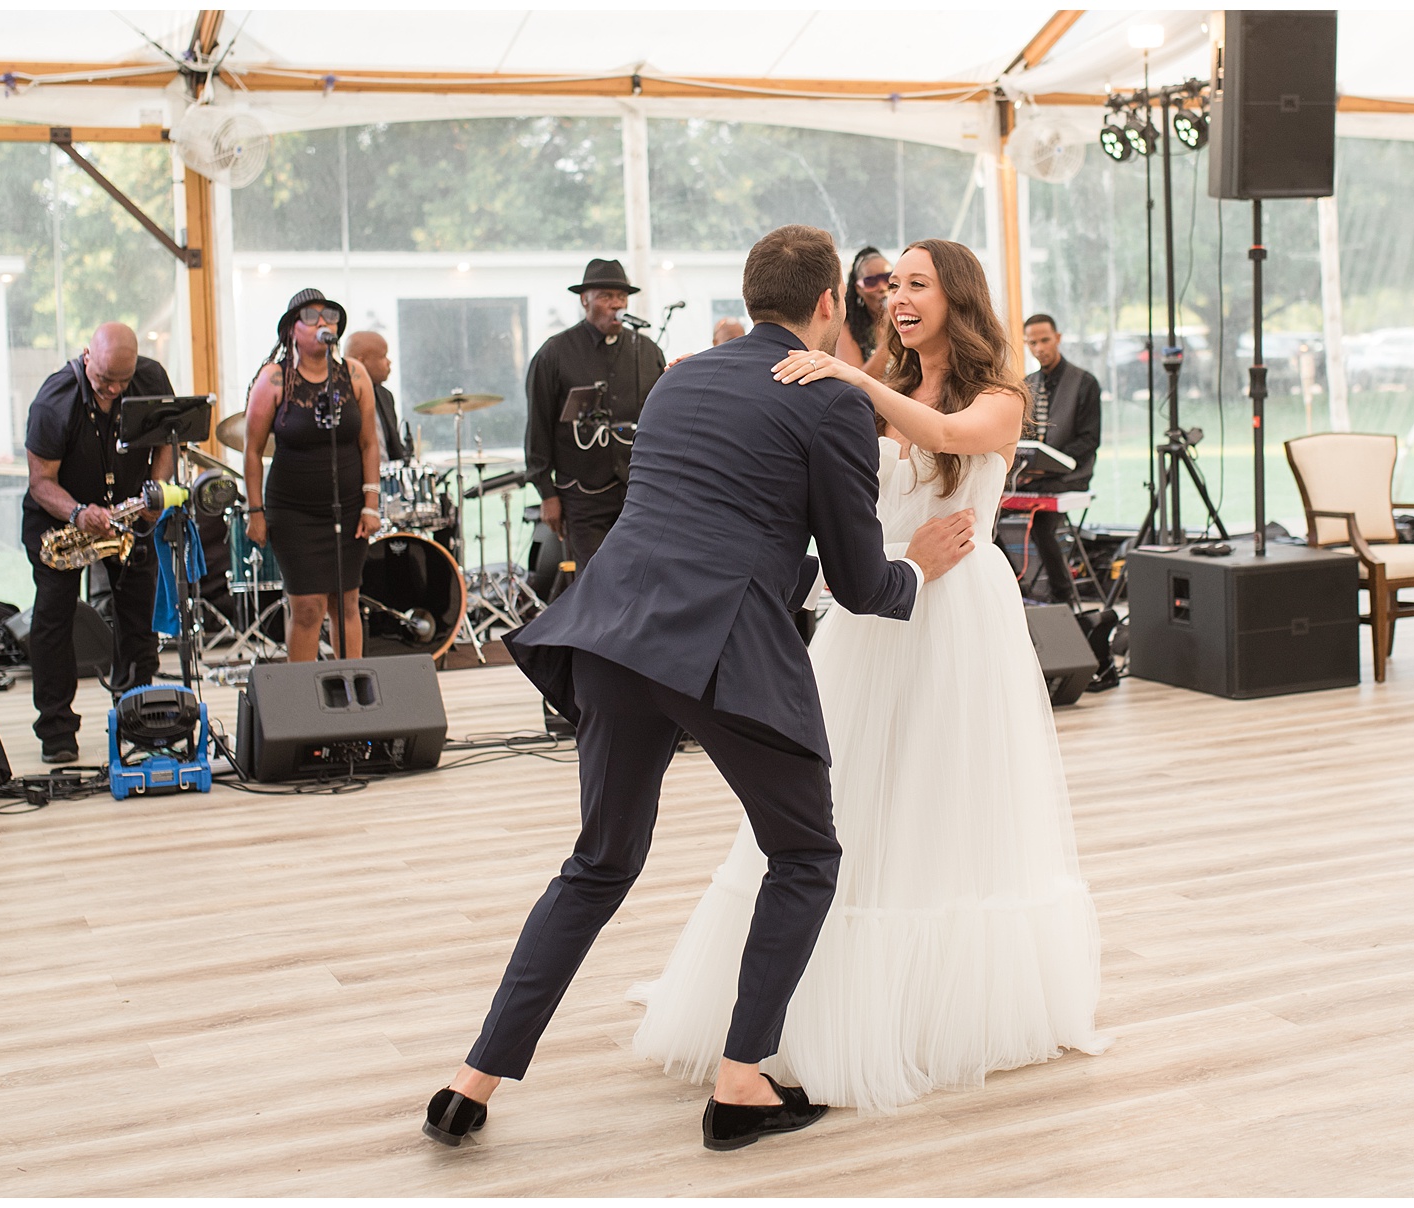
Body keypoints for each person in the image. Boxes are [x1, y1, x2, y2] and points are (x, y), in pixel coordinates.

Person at [421, 225, 978, 1153]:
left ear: (753, 296)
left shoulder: (681, 378)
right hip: (715, 648)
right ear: (833, 303)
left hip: (611, 631)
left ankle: (469, 1083)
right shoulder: (832, 403)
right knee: (805, 855)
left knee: (598, 864)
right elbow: (855, 580)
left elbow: (711, 517)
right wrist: (915, 568)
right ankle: (739, 1083)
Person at [632, 239, 1106, 1116]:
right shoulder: (866, 386)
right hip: (872, 604)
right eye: (892, 287)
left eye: (918, 285)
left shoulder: (999, 396)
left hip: (960, 614)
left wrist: (854, 382)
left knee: (939, 794)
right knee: (837, 797)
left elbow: (952, 437)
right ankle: (785, 1003)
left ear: (958, 297)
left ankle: (924, 1008)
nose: (898, 299)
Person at [22, 322, 174, 764]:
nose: (111, 389)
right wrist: (78, 514)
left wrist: (156, 491)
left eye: (121, 381)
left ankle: (137, 715)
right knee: (54, 621)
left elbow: (166, 441)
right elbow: (40, 483)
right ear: (87, 355)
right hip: (62, 522)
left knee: (138, 619)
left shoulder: (150, 379)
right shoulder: (55, 401)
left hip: (125, 518)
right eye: (103, 379)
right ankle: (56, 730)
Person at [242, 289, 381, 662]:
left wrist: (371, 503)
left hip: (348, 506)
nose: (323, 322)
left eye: (330, 316)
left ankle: (355, 691)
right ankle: (303, 704)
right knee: (307, 606)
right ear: (292, 331)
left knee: (346, 600)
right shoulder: (273, 379)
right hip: (293, 510)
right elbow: (252, 451)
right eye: (312, 316)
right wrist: (254, 512)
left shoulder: (354, 374)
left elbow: (369, 443)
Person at [523, 259, 666, 568]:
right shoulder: (555, 353)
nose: (615, 304)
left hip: (637, 492)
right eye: (605, 296)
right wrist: (547, 494)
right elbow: (538, 428)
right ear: (584, 299)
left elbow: (660, 421)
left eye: (621, 297)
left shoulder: (646, 351)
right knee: (596, 581)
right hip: (581, 494)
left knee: (641, 577)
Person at [1017, 313, 1103, 604]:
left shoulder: (1084, 383)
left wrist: (1052, 463)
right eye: (1033, 343)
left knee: (1043, 524)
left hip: (1070, 475)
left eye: (1045, 340)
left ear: (1058, 338)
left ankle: (1061, 596)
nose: (1039, 348)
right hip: (1032, 476)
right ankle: (1015, 591)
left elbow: (1089, 440)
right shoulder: (1027, 384)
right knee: (985, 513)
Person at [344, 330, 409, 465]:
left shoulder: (385, 395)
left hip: (388, 478)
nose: (389, 362)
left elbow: (394, 448)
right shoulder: (342, 398)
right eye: (383, 356)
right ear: (361, 362)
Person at [834, 246, 894, 378]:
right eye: (871, 282)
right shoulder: (846, 329)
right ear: (858, 289)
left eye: (887, 278)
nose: (883, 288)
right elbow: (856, 385)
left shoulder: (908, 320)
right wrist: (889, 338)